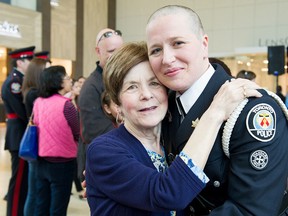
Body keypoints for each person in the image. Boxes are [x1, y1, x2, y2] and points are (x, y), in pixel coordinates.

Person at [85, 42, 262, 216]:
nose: (146, 95)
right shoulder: (104, 150)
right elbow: (170, 193)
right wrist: (215, 112)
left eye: (154, 83)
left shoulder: (173, 139)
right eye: (132, 87)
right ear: (117, 104)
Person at [146, 5, 288, 215]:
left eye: (178, 43)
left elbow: (251, 210)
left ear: (204, 44)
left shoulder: (252, 109)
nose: (167, 58)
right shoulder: (163, 107)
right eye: (156, 50)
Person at [77, 28, 124, 181]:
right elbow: (95, 131)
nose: (117, 56)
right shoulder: (91, 86)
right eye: (111, 51)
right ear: (98, 51)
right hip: (103, 159)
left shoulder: (121, 76)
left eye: (121, 50)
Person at [32, 66, 79, 215]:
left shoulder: (38, 102)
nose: (70, 80)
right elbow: (77, 132)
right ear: (58, 82)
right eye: (66, 78)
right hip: (63, 163)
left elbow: (36, 125)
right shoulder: (67, 105)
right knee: (58, 207)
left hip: (41, 160)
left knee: (41, 204)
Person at [1, 45, 35, 216]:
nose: (31, 63)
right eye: (29, 60)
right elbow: (22, 112)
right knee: (19, 181)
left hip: (21, 134)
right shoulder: (15, 81)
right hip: (19, 135)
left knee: (23, 182)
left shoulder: (20, 79)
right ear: (20, 62)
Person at [21, 57, 48, 216]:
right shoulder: (34, 94)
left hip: (40, 143)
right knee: (33, 191)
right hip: (36, 143)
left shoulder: (32, 91)